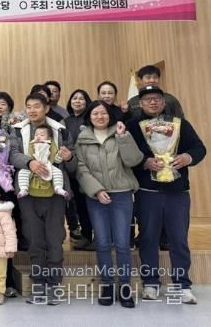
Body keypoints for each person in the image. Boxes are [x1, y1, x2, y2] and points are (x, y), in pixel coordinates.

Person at [127, 85, 205, 305]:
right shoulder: (132, 126)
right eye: (148, 99)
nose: (153, 102)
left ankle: (182, 285)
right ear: (140, 103)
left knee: (178, 239)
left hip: (177, 192)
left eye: (157, 99)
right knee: (148, 238)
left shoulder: (180, 124)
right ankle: (150, 283)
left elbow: (199, 148)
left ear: (163, 101)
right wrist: (144, 162)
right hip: (147, 192)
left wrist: (187, 157)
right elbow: (125, 156)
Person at [9, 93, 76, 305]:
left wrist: (69, 157)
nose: (32, 110)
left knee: (54, 239)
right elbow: (12, 154)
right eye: (28, 106)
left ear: (47, 108)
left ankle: (54, 285)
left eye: (36, 106)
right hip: (28, 193)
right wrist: (29, 163)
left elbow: (73, 161)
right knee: (34, 239)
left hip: (55, 193)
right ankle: (38, 284)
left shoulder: (60, 130)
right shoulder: (17, 130)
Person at [75, 100, 143, 307]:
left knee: (122, 243)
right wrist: (96, 190)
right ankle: (107, 285)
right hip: (96, 197)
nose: (99, 116)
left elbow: (133, 160)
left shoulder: (121, 132)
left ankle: (125, 287)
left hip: (122, 194)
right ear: (89, 117)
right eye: (95, 113)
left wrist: (123, 138)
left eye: (103, 113)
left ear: (110, 115)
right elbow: (81, 168)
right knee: (103, 243)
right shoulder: (83, 138)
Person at [62, 89, 94, 249]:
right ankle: (86, 236)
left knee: (93, 204)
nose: (78, 101)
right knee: (79, 205)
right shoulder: (65, 121)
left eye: (82, 98)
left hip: (90, 167)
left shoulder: (91, 119)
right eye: (74, 98)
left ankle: (100, 238)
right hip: (71, 167)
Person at [17, 125, 68, 199]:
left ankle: (58, 188)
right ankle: (23, 188)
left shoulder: (51, 146)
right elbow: (27, 156)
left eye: (42, 135)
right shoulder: (31, 145)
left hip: (47, 164)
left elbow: (56, 160)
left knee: (58, 172)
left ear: (49, 138)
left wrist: (60, 155)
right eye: (36, 135)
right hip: (33, 164)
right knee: (22, 172)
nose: (38, 137)